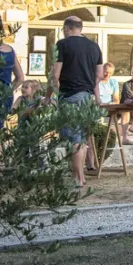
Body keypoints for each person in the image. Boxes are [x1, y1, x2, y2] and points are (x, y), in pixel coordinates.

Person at [45, 16, 103, 187]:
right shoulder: (94, 46)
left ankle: (77, 178)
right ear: (81, 28)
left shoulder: (63, 44)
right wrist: (90, 88)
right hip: (87, 97)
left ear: (66, 28)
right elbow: (99, 75)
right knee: (82, 138)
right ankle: (81, 176)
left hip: (70, 95)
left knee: (74, 139)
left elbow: (55, 75)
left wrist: (49, 95)